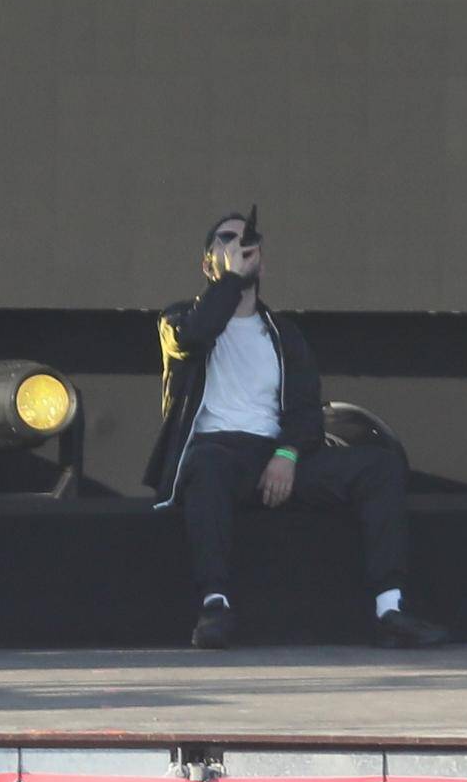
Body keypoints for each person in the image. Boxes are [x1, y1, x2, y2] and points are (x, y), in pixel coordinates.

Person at [149, 209, 438, 654]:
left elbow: (306, 411)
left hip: (274, 453)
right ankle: (214, 607)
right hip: (217, 451)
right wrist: (228, 282)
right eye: (226, 241)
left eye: (247, 242)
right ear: (208, 262)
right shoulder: (179, 320)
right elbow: (195, 336)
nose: (238, 248)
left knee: (378, 466)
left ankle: (390, 610)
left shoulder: (284, 335)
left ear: (261, 263)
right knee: (205, 467)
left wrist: (286, 456)